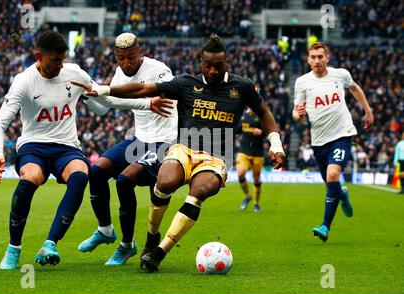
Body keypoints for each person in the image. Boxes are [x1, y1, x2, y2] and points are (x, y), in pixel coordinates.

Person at [72, 34, 286, 272]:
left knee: (198, 192)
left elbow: (264, 112)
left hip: (215, 157)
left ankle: (159, 251)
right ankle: (151, 236)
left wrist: (275, 143)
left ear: (227, 63)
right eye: (208, 65)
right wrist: (105, 89)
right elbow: (143, 88)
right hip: (183, 149)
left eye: (219, 65)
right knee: (164, 183)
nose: (213, 71)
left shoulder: (241, 87)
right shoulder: (185, 83)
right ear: (200, 64)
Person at [0, 30, 172, 270]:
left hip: (68, 147)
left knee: (82, 174)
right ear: (39, 56)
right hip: (34, 145)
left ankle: (50, 244)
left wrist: (144, 102)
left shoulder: (74, 72)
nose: (60, 66)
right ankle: (14, 247)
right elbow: (0, 123)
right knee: (33, 177)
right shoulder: (23, 81)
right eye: (55, 60)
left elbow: (105, 101)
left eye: (62, 59)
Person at [76, 32, 178, 266]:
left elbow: (159, 93)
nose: (126, 63)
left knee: (124, 180)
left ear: (140, 52)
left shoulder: (159, 68)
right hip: (139, 140)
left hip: (164, 142)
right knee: (97, 170)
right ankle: (105, 229)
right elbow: (105, 108)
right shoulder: (120, 74)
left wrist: (108, 93)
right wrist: (88, 97)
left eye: (131, 57)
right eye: (121, 58)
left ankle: (126, 245)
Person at [293, 41, 374, 242]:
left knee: (332, 175)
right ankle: (343, 195)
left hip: (342, 134)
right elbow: (296, 112)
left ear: (327, 58)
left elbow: (355, 89)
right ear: (308, 59)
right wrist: (298, 114)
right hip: (319, 141)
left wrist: (368, 110)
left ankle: (325, 227)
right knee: (331, 185)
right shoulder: (302, 82)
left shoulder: (341, 74)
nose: (317, 60)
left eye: (321, 56)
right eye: (313, 57)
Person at [236, 108, 265, 212]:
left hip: (258, 152)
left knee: (256, 179)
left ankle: (256, 203)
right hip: (244, 150)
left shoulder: (261, 114)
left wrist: (262, 132)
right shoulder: (243, 115)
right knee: (240, 174)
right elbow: (238, 129)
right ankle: (247, 196)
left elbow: (269, 130)